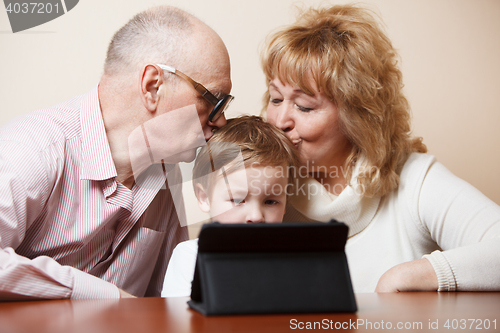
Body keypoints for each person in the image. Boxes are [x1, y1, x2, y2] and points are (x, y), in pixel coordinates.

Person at [261, 4, 500, 293]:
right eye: (275, 99)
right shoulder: (258, 188)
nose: (279, 120)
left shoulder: (415, 181)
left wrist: (409, 276)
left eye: (304, 106)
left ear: (356, 116)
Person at [0, 6, 232, 300]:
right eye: (215, 100)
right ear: (152, 86)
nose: (221, 120)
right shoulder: (32, 150)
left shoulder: (166, 174)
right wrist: (99, 294)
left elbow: (169, 300)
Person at [161, 115, 300, 297]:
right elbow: (178, 319)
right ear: (204, 198)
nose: (256, 216)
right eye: (238, 200)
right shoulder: (191, 256)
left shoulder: (294, 258)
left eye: (271, 201)